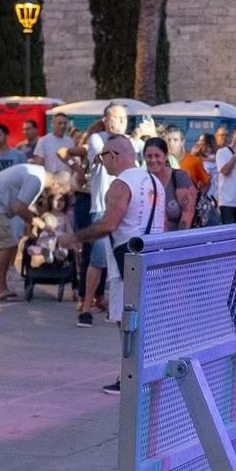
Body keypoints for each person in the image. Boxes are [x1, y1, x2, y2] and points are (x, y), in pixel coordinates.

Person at [72, 135, 164, 394]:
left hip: (126, 262)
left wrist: (75, 237)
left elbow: (109, 224)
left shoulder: (120, 185)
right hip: (152, 257)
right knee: (143, 321)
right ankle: (145, 373)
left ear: (113, 155)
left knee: (126, 323)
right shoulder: (155, 182)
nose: (103, 163)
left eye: (102, 157)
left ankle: (129, 378)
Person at [0, 156, 67, 302]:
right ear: (57, 184)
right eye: (61, 191)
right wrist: (39, 223)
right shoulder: (36, 180)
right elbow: (19, 207)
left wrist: (36, 217)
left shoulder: (36, 173)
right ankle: (0, 289)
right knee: (7, 245)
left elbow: (24, 204)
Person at [76, 102, 135, 325]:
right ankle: (86, 306)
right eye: (115, 118)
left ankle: (116, 306)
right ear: (105, 119)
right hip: (102, 206)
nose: (119, 123)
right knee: (98, 259)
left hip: (126, 208)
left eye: (123, 119)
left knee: (123, 261)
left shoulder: (131, 142)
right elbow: (107, 156)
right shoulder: (98, 139)